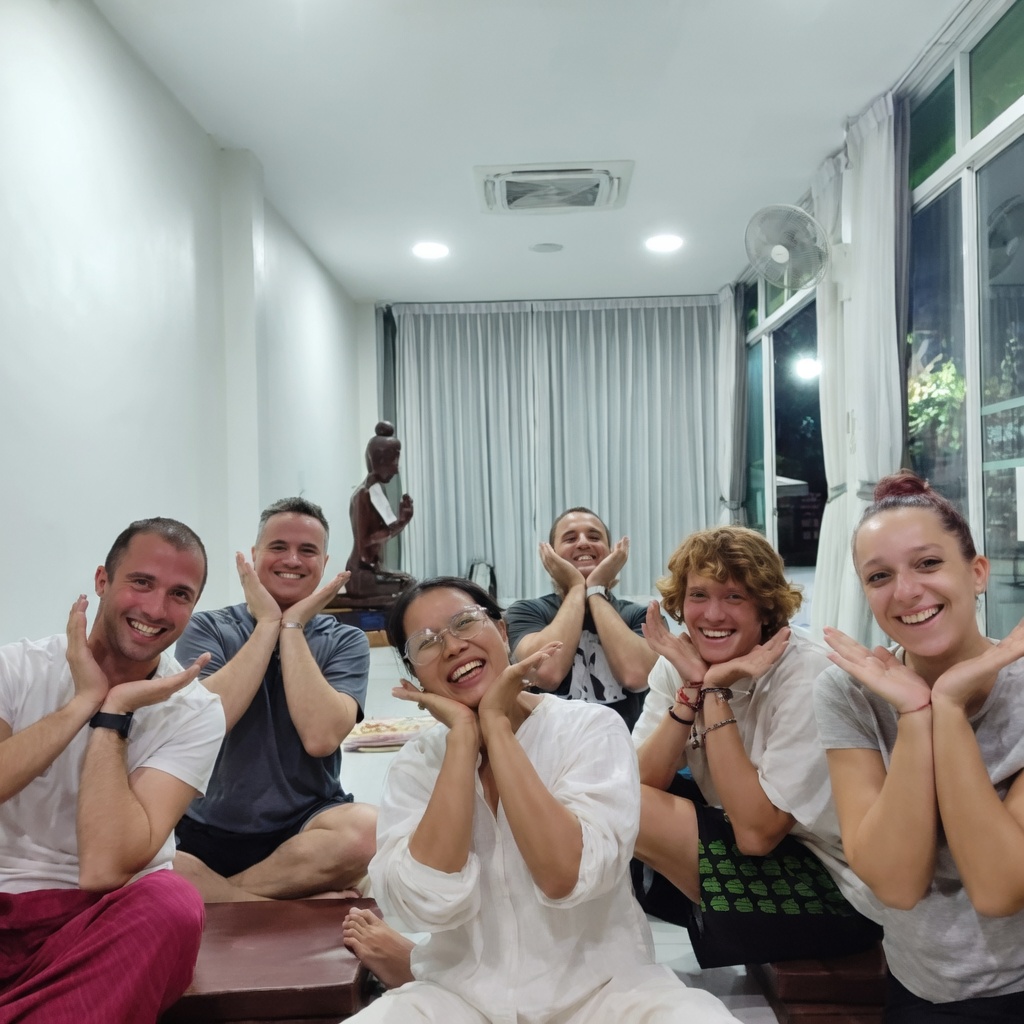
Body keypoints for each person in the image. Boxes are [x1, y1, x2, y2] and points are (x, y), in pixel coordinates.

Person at [342, 576, 741, 1023]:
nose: (452, 646)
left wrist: (495, 723)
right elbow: (426, 903)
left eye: (464, 623)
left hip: (605, 995)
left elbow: (566, 876)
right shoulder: (418, 764)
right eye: (427, 642)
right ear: (413, 672)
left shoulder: (589, 729)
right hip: (458, 998)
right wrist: (461, 743)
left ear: (502, 631)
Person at [815, 470, 1024, 1021]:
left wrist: (948, 709)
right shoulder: (847, 692)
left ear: (977, 572)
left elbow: (1001, 888)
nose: (906, 592)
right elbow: (896, 884)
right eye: (879, 576)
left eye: (928, 563)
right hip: (920, 988)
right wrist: (915, 715)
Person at [0, 518, 225, 1022]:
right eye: (141, 583)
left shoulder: (195, 711)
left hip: (99, 921)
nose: (154, 609)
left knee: (172, 903)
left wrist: (113, 714)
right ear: (103, 581)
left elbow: (104, 868)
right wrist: (81, 702)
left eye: (180, 594)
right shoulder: (16, 669)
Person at [631, 526, 880, 968]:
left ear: (766, 608)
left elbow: (757, 833)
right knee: (616, 797)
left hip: (841, 888)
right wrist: (692, 688)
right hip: (768, 848)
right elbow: (638, 783)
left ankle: (735, 926)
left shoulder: (807, 674)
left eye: (734, 597)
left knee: (624, 804)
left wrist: (713, 692)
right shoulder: (682, 666)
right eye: (698, 595)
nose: (712, 614)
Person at [173, 497, 376, 901]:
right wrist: (267, 624)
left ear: (324, 562)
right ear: (254, 555)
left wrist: (294, 625)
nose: (293, 560)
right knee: (155, 866)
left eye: (308, 551)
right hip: (207, 827)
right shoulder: (206, 629)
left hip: (303, 826)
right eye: (279, 547)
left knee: (367, 833)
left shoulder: (346, 641)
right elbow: (214, 719)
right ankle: (275, 901)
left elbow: (320, 737)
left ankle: (223, 898)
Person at [505, 507, 655, 730]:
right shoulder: (526, 611)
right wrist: (577, 587)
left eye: (594, 537)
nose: (584, 543)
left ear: (610, 551)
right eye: (570, 538)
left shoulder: (641, 615)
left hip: (627, 751)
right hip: (550, 752)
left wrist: (595, 590)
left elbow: (636, 676)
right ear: (552, 555)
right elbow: (547, 673)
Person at [344, 421, 414, 602]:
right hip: (361, 573)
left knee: (410, 583)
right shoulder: (363, 495)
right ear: (379, 460)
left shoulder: (377, 491)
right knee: (410, 585)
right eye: (394, 461)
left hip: (371, 570)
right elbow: (365, 544)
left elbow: (384, 532)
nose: (396, 470)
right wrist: (401, 523)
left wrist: (402, 521)